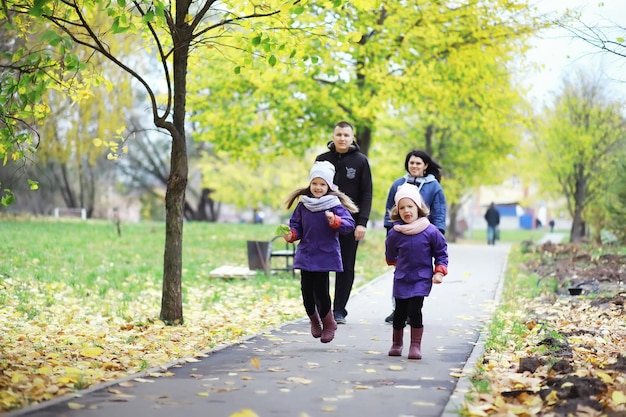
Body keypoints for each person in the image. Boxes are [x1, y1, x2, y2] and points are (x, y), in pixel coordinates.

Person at [282, 161, 358, 343]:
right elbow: (296, 226)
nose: (318, 187)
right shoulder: (303, 205)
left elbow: (349, 225)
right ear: (310, 184)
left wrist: (335, 221)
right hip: (307, 252)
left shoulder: (334, 204)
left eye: (322, 184)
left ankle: (329, 323)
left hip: (325, 254)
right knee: (306, 293)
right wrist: (291, 235)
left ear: (329, 186)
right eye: (315, 183)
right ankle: (314, 320)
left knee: (322, 291)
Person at [316, 121, 373, 325]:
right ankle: (322, 309)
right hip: (322, 222)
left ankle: (339, 309)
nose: (342, 138)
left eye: (346, 135)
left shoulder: (361, 161)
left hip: (350, 223)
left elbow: (367, 193)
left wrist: (362, 223)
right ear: (333, 136)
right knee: (320, 265)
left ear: (352, 138)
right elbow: (314, 188)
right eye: (338, 134)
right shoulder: (322, 160)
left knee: (346, 267)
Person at [385, 183, 448, 359]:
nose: (407, 211)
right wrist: (392, 261)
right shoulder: (396, 233)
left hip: (421, 278)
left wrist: (439, 271)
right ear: (398, 210)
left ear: (418, 207)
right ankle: (397, 344)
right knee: (399, 313)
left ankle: (415, 346)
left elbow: (441, 252)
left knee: (415, 310)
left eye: (410, 206)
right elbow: (390, 251)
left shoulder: (430, 231)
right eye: (402, 207)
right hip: (402, 277)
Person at [383, 149, 446, 324]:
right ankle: (399, 309)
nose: (414, 166)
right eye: (411, 163)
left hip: (424, 235)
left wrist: (438, 232)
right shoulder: (398, 184)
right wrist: (389, 231)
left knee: (420, 273)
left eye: (418, 163)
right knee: (401, 274)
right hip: (402, 234)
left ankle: (414, 310)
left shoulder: (434, 186)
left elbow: (439, 211)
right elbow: (390, 209)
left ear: (425, 166)